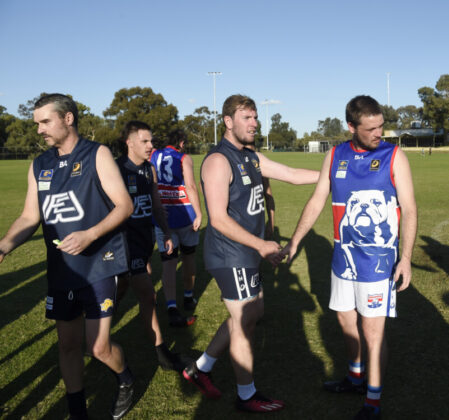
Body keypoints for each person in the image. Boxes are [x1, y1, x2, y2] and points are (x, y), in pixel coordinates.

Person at [280, 95, 417, 420]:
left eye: (381, 126)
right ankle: (355, 377)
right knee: (344, 320)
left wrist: (406, 257)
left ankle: (372, 401)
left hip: (378, 262)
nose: (378, 133)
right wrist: (295, 241)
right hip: (343, 259)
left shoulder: (394, 156)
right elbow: (317, 201)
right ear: (351, 127)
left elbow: (409, 208)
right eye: (371, 128)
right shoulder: (335, 155)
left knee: (373, 332)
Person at [0, 93, 135, 419]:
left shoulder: (96, 153)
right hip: (63, 270)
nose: (39, 130)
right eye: (36, 124)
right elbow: (31, 217)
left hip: (101, 264)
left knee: (98, 347)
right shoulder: (40, 165)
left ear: (68, 118)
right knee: (68, 345)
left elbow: (125, 205)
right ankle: (78, 412)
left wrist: (90, 234)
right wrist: (4, 245)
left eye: (45, 122)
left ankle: (125, 379)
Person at [182, 94, 318, 412]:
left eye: (255, 117)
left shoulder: (251, 156)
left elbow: (294, 175)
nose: (254, 123)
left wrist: (339, 174)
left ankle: (199, 369)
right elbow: (217, 218)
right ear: (228, 122)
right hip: (230, 255)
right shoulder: (218, 161)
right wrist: (260, 245)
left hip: (245, 253)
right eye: (247, 117)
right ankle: (246, 395)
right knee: (246, 321)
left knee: (248, 315)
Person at [115, 120, 186, 371]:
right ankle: (162, 352)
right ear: (129, 143)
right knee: (147, 294)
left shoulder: (149, 170)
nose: (150, 145)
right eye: (144, 141)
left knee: (122, 287)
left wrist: (166, 232)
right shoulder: (115, 170)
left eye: (151, 141)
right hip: (124, 242)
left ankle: (99, 322)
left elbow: (156, 204)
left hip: (144, 240)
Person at [150, 129, 202, 327]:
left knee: (168, 264)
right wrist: (199, 213)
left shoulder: (154, 154)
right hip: (185, 216)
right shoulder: (183, 157)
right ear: (180, 142)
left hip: (163, 218)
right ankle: (188, 296)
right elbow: (190, 185)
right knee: (189, 258)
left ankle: (171, 305)